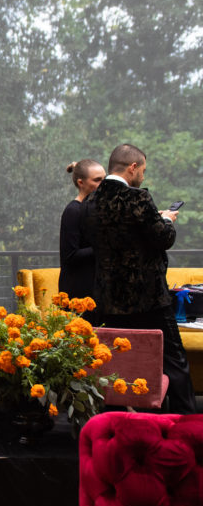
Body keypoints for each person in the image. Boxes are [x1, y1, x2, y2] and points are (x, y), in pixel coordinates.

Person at [81, 143, 196, 413]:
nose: (142, 176)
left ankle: (116, 422)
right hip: (149, 299)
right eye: (142, 170)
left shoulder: (89, 205)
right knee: (173, 360)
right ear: (132, 167)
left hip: (108, 301)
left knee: (115, 365)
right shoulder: (138, 199)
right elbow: (162, 239)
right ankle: (186, 426)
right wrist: (166, 220)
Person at [58, 159, 105, 302]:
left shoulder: (97, 209)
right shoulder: (73, 211)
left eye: (104, 179)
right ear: (81, 183)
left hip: (95, 288)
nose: (103, 184)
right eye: (97, 180)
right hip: (78, 291)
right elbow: (70, 255)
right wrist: (104, 246)